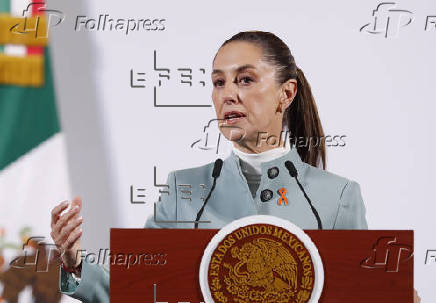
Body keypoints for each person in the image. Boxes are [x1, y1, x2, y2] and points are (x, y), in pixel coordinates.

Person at [50, 31, 419, 302]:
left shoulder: (338, 195)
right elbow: (137, 290)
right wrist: (76, 262)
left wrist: (395, 294)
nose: (228, 93)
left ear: (286, 93)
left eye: (245, 79)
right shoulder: (183, 191)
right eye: (218, 82)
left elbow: (364, 292)